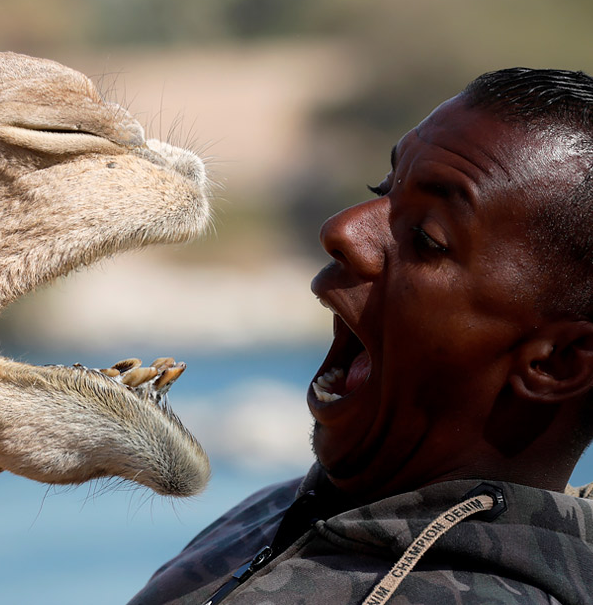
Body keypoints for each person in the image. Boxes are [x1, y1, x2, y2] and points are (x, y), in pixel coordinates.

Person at [129, 68, 593, 605]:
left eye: (426, 238)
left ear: (557, 362)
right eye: (384, 189)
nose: (342, 229)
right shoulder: (277, 511)